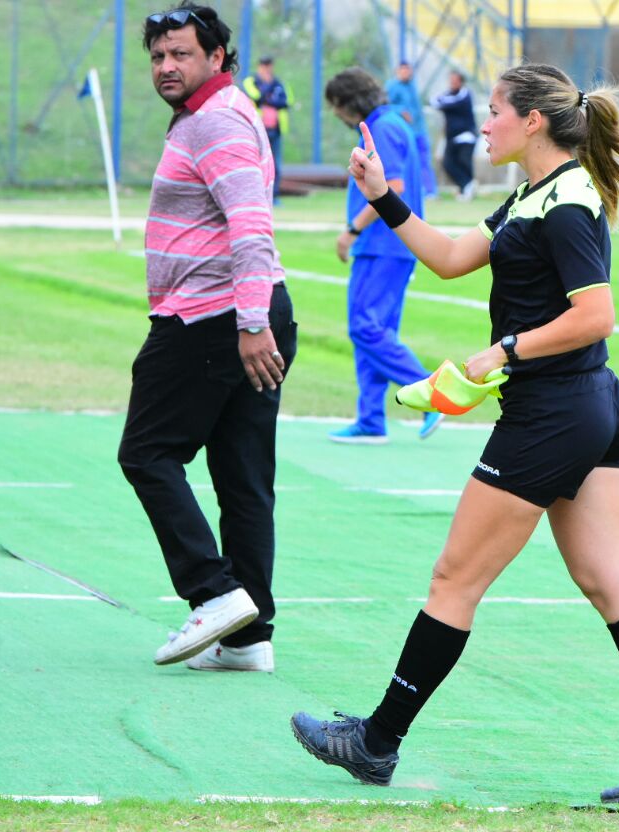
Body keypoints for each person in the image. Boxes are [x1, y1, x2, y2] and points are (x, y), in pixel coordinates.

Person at [291, 63, 619, 804]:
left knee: (455, 579)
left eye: (491, 111)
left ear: (532, 122)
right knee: (610, 582)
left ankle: (376, 741)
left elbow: (596, 315)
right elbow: (453, 258)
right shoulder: (535, 194)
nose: (481, 124)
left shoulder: (567, 204)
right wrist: (383, 197)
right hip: (590, 407)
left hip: (557, 411)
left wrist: (505, 351)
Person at [119, 3, 296, 674]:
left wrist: (251, 324)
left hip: (215, 319)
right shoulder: (209, 116)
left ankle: (214, 590)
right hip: (242, 315)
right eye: (159, 56)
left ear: (217, 57)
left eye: (181, 54)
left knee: (147, 453)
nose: (166, 66)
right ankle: (249, 638)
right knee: (243, 478)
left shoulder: (216, 120)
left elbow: (250, 228)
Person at [325, 67, 442, 444]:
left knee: (365, 327)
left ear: (349, 102)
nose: (336, 115)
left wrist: (352, 229)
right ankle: (371, 418)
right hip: (388, 246)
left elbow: (390, 188)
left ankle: (430, 395)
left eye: (337, 106)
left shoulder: (384, 128)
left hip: (383, 245)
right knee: (374, 331)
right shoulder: (390, 123)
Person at [385, 60, 437, 199]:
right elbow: (385, 106)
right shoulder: (392, 86)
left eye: (408, 70)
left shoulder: (412, 86)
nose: (406, 72)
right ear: (397, 71)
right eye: (403, 70)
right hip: (404, 133)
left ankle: (429, 191)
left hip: (419, 131)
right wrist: (400, 110)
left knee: (424, 161)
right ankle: (406, 191)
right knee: (406, 163)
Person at [243, 55, 292, 203]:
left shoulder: (279, 83)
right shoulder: (251, 81)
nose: (267, 69)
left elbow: (286, 101)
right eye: (264, 65)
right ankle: (255, 195)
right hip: (257, 130)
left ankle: (274, 196)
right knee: (255, 162)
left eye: (269, 65)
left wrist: (269, 97)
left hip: (275, 130)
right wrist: (270, 93)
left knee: (275, 164)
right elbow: (257, 96)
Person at [431, 70, 477, 200]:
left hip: (466, 136)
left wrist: (442, 103)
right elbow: (434, 101)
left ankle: (467, 189)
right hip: (451, 137)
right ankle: (465, 186)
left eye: (455, 81)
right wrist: (442, 102)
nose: (452, 83)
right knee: (447, 163)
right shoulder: (448, 94)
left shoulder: (465, 94)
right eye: (450, 81)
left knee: (464, 161)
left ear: (461, 82)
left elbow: (449, 103)